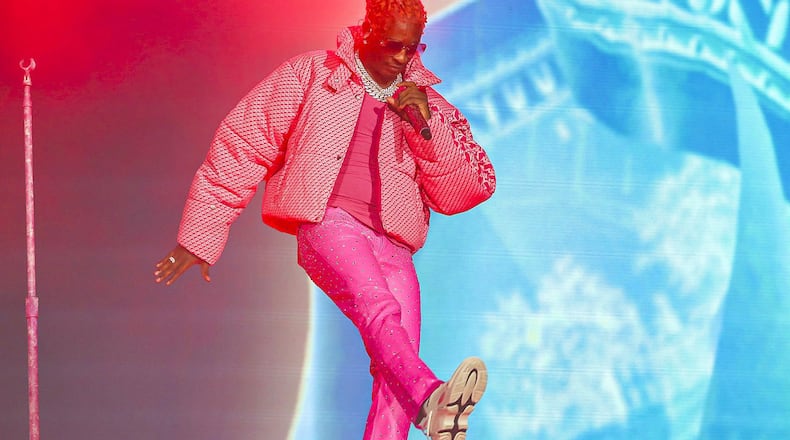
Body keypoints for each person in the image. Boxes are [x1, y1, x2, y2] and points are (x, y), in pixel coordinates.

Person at [154, 0, 496, 438]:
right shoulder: (312, 75)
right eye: (393, 45)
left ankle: (429, 406)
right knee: (379, 310)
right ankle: (431, 400)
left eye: (412, 49)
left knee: (398, 359)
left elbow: (470, 188)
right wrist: (199, 236)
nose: (402, 58)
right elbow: (245, 140)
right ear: (369, 32)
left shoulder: (430, 106)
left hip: (394, 244)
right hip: (329, 223)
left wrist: (425, 130)